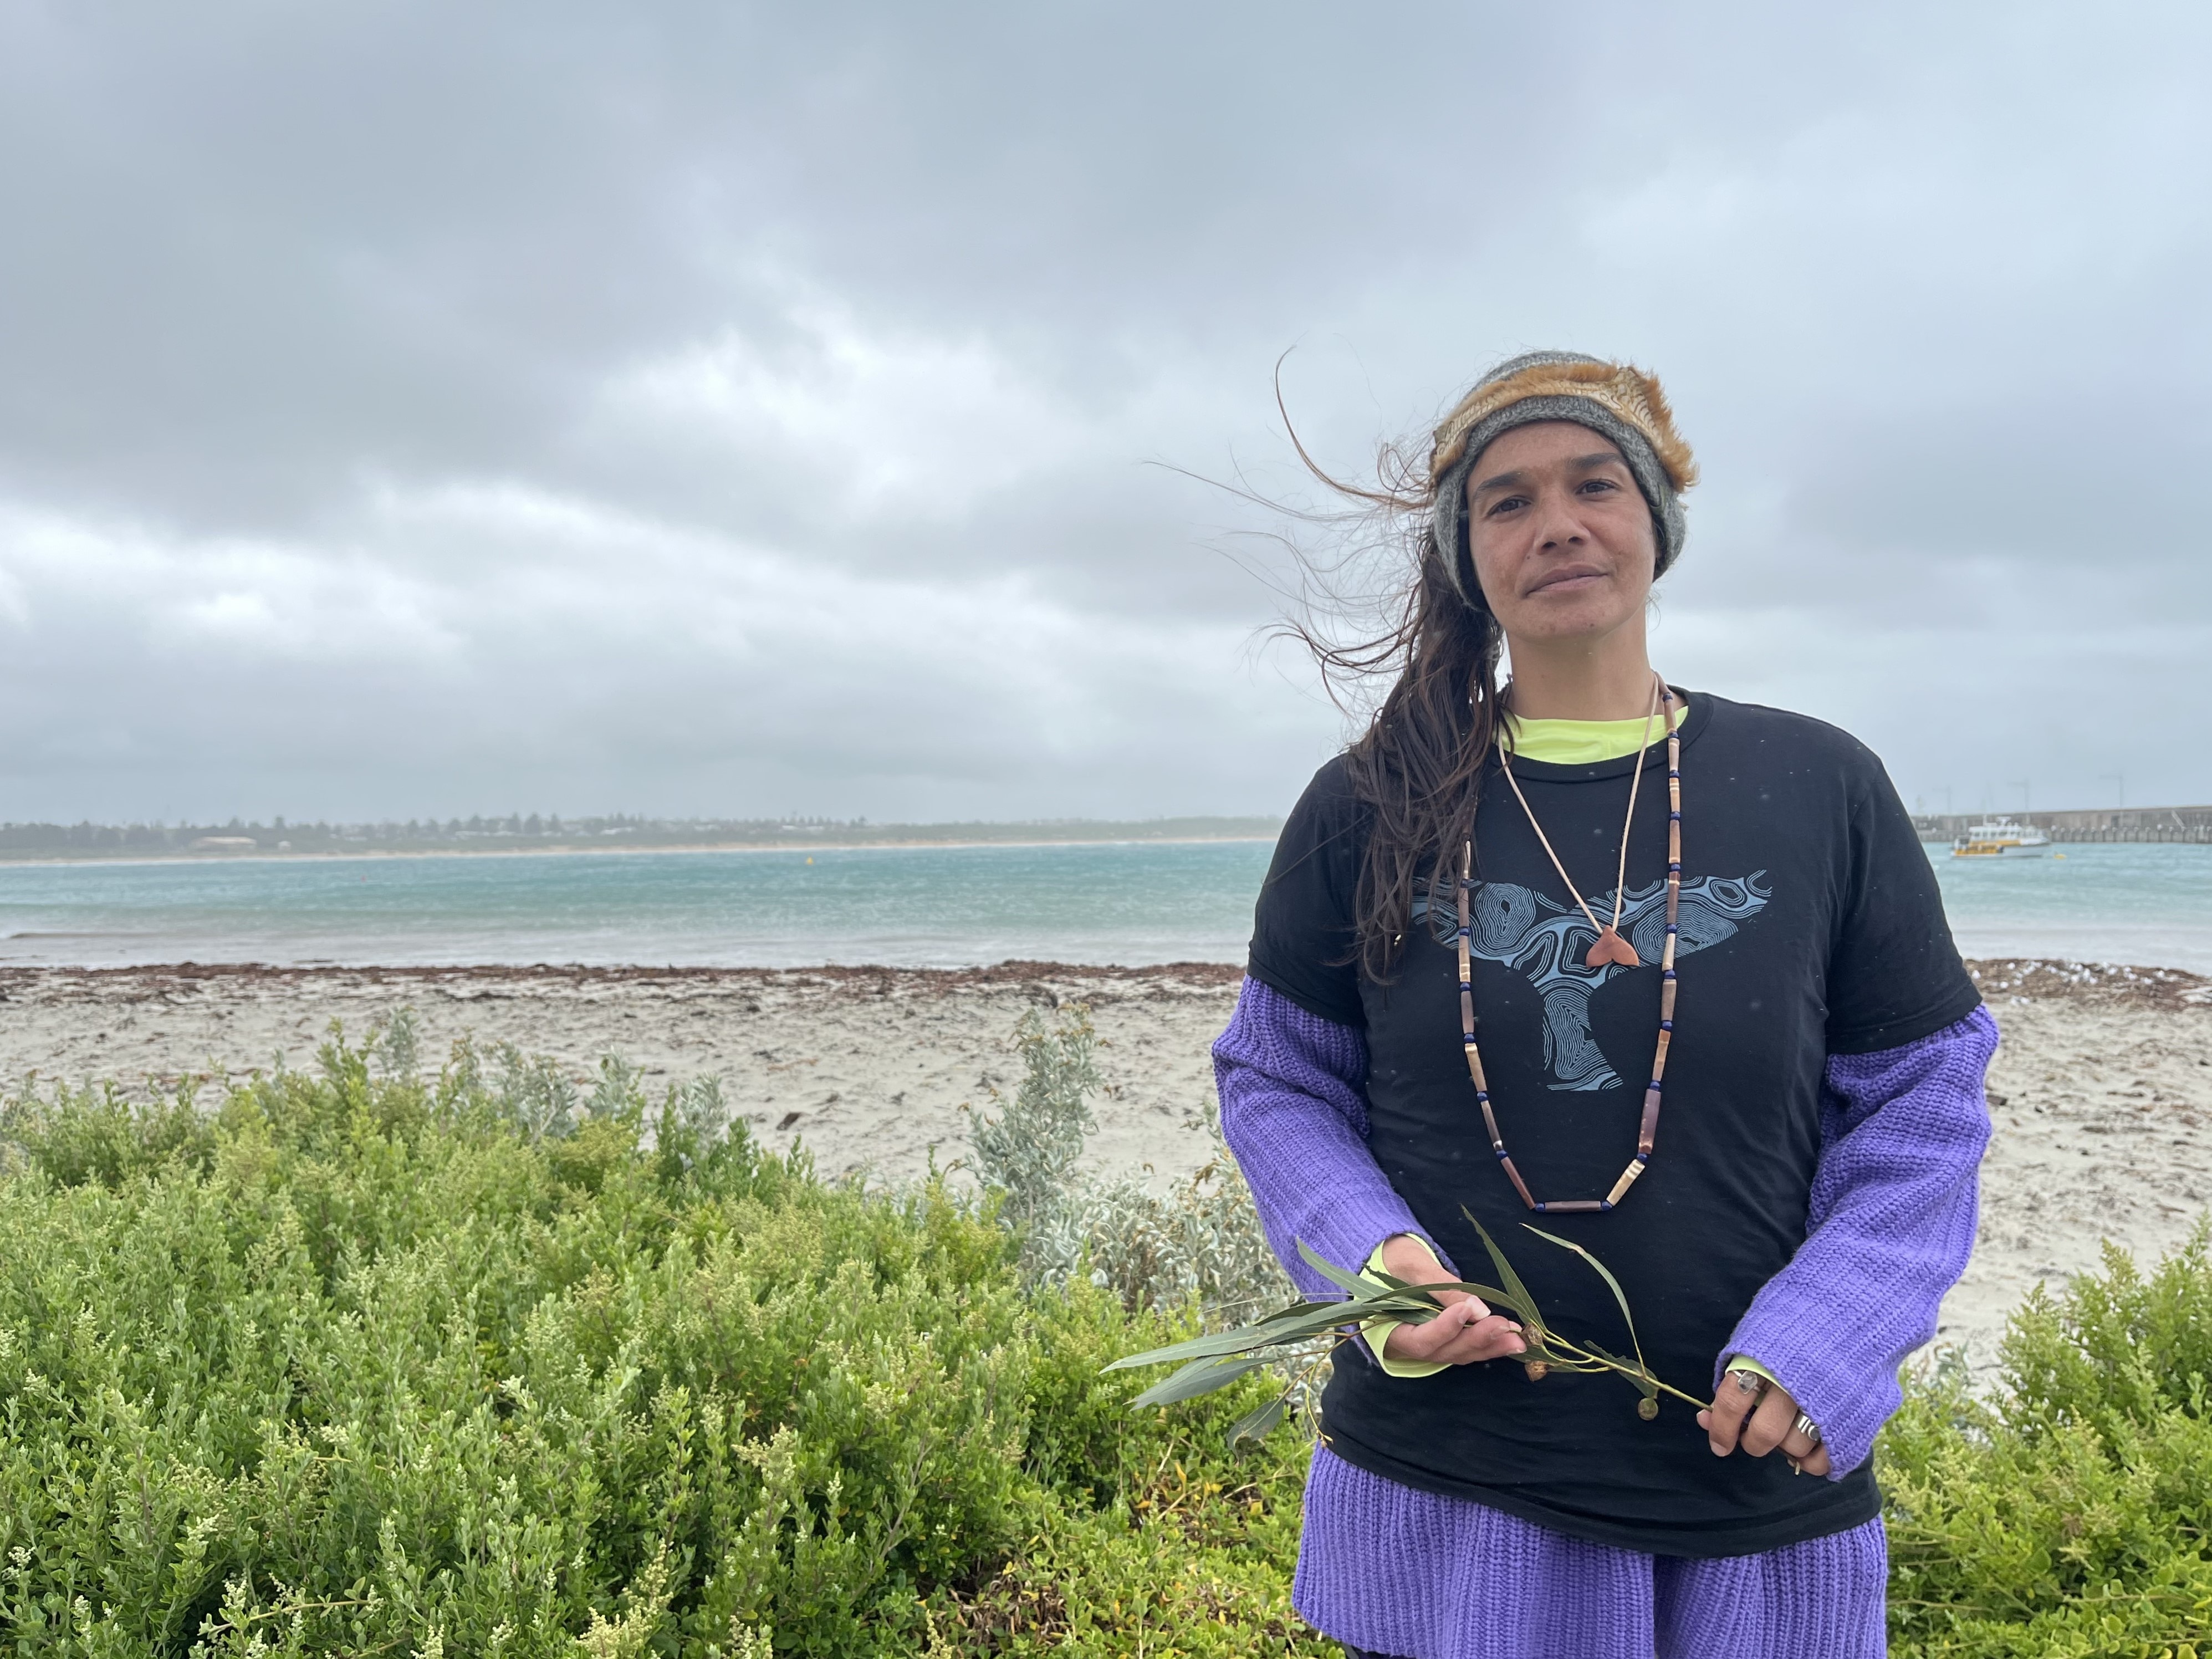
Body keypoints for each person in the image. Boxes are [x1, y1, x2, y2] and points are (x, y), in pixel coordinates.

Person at [1214, 352, 1995, 1658]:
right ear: (1468, 556)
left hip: (1755, 1494)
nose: (1558, 523)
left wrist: (1833, 1335)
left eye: (1594, 485)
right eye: (1507, 501)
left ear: (1656, 522)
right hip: (1448, 1495)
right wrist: (1371, 1266)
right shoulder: (1369, 801)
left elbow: (1919, 1104)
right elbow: (1280, 1079)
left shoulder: (1819, 785)